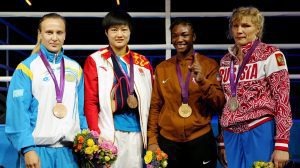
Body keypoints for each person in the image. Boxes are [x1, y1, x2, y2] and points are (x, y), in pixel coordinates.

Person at [5, 13, 88, 168]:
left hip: (70, 154)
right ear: (40, 34)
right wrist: (27, 149)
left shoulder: (75, 68)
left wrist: (86, 141)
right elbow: (18, 112)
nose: (54, 37)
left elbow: (80, 112)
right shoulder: (27, 68)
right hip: (38, 152)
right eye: (49, 32)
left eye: (59, 33)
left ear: (65, 36)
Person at [218, 6, 293, 168]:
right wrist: (222, 141)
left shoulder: (271, 55)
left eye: (246, 26)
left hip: (259, 128)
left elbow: (282, 100)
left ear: (258, 29)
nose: (239, 30)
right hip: (231, 134)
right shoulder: (225, 61)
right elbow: (227, 102)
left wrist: (282, 144)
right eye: (235, 25)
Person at [147, 18, 225, 168]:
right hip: (167, 141)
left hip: (200, 139)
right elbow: (155, 106)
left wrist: (202, 81)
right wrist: (152, 140)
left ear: (193, 37)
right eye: (175, 36)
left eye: (184, 35)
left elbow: (219, 103)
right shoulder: (162, 68)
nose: (179, 39)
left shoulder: (209, 65)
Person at [84, 10, 153, 168]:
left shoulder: (143, 62)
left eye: (124, 29)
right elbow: (90, 101)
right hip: (109, 133)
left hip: (139, 134)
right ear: (106, 32)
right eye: (114, 30)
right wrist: (95, 135)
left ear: (130, 31)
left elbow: (152, 101)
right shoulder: (95, 60)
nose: (119, 34)